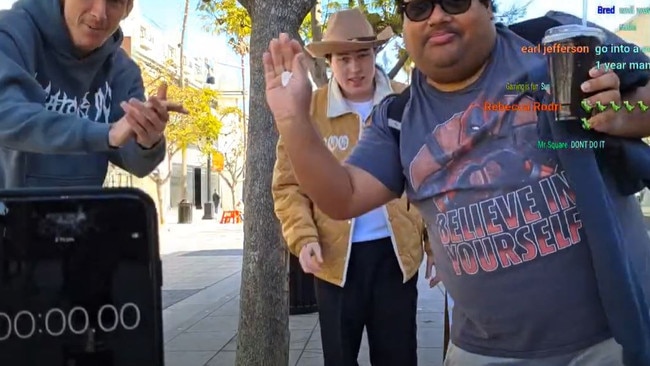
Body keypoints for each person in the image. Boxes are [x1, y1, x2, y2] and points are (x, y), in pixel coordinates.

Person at [263, 0, 650, 364]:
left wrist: (621, 117)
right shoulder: (396, 119)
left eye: (453, 1)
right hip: (480, 353)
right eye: (418, 6)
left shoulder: (559, 41)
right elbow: (341, 197)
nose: (435, 16)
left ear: (487, 6)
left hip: (607, 345)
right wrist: (293, 120)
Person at [271, 8, 435, 366]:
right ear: (330, 61)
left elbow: (432, 176)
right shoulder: (307, 110)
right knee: (340, 358)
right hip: (333, 262)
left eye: (362, 55)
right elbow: (288, 185)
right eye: (343, 58)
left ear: (375, 54)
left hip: (397, 258)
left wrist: (436, 243)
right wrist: (303, 237)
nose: (354, 68)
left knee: (398, 357)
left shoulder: (406, 102)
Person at [0, 0, 186, 189]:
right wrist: (106, 134)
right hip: (9, 212)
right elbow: (6, 115)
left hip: (84, 212)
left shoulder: (123, 70)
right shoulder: (11, 33)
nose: (99, 14)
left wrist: (147, 139)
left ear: (127, 9)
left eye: (114, 2)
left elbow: (137, 164)